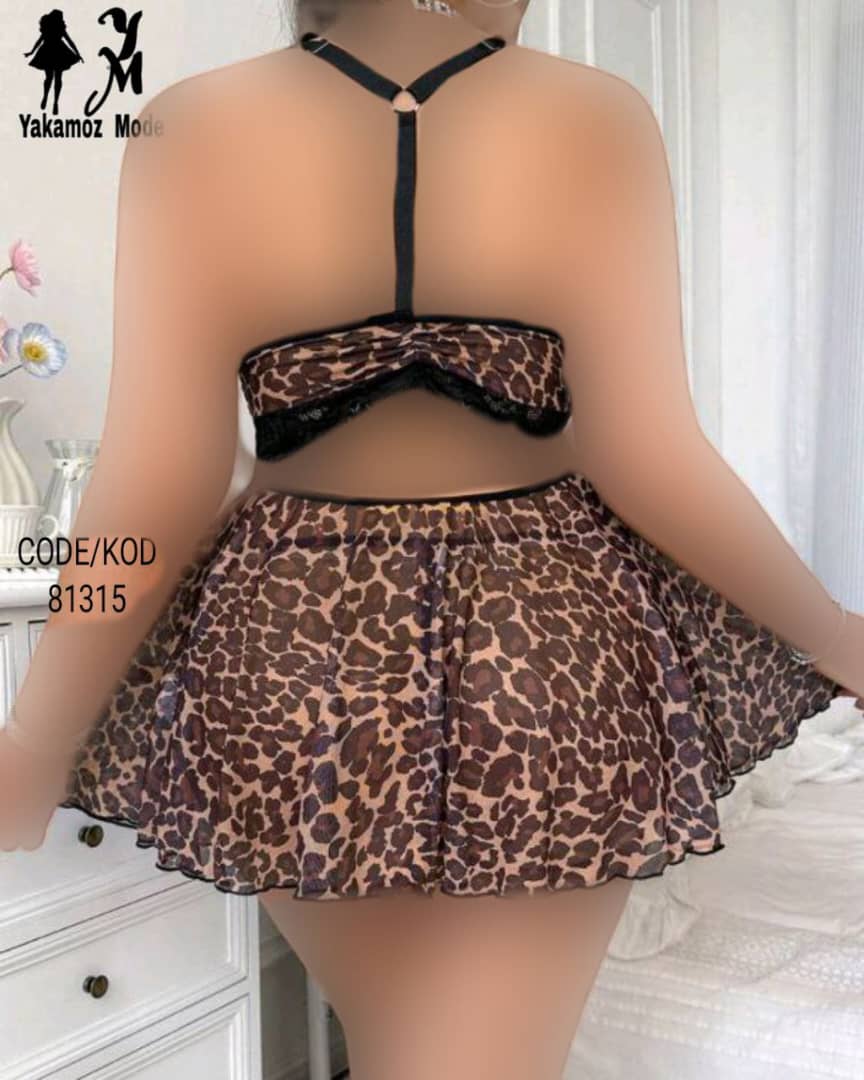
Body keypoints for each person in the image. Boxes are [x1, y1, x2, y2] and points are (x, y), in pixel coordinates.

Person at [2, 1, 861, 1077]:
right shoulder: (591, 115)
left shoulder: (192, 123)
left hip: (287, 655)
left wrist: (37, 732)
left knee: (406, 1044)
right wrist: (835, 631)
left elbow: (152, 481)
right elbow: (649, 453)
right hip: (539, 646)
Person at [24, 9, 84, 115]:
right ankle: (47, 97)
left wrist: (78, 53)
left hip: (57, 52)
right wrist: (31, 52)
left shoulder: (59, 29)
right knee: (51, 78)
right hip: (50, 52)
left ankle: (55, 102)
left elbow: (70, 41)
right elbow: (39, 41)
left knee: (55, 78)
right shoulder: (49, 29)